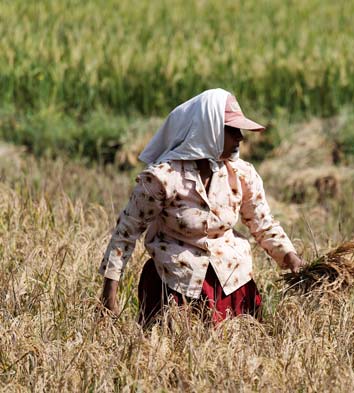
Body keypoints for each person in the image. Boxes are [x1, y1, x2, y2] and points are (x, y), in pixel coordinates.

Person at [99, 88, 305, 327]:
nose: (240, 137)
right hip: (174, 285)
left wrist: (290, 257)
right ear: (210, 130)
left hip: (231, 285)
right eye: (232, 130)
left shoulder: (242, 174)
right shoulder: (163, 178)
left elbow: (262, 222)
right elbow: (126, 232)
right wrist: (109, 294)